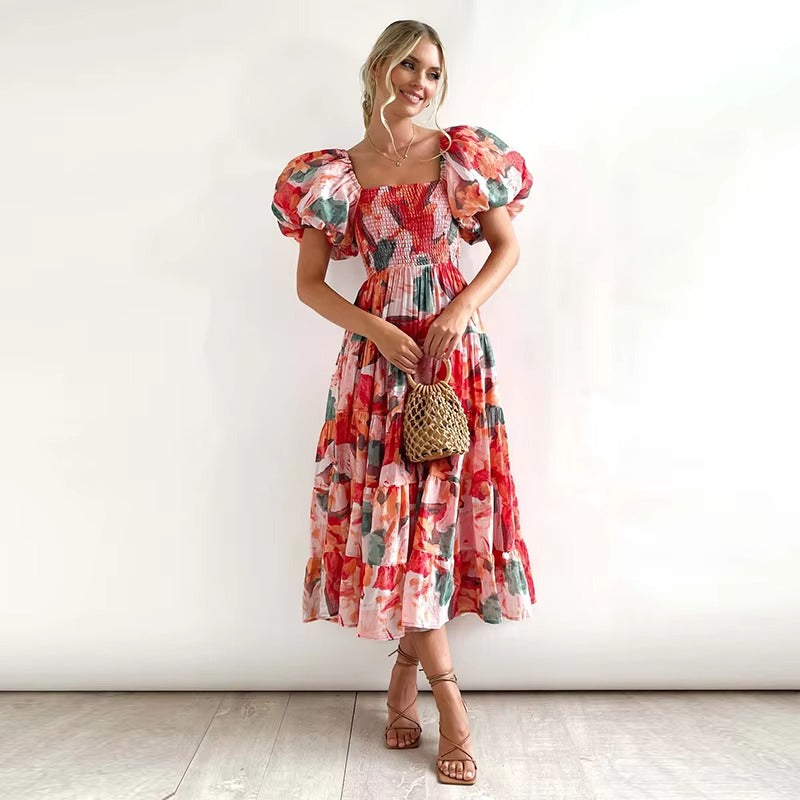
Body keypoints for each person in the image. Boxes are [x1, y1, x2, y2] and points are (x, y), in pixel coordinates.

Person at [271, 19, 536, 787]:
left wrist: (458, 310)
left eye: (434, 71)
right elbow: (310, 285)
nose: (422, 82)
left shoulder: (459, 155)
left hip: (450, 359)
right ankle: (447, 702)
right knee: (396, 524)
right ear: (380, 66)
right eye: (410, 65)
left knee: (435, 522)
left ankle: (408, 677)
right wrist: (377, 330)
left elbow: (507, 248)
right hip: (378, 361)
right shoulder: (333, 175)